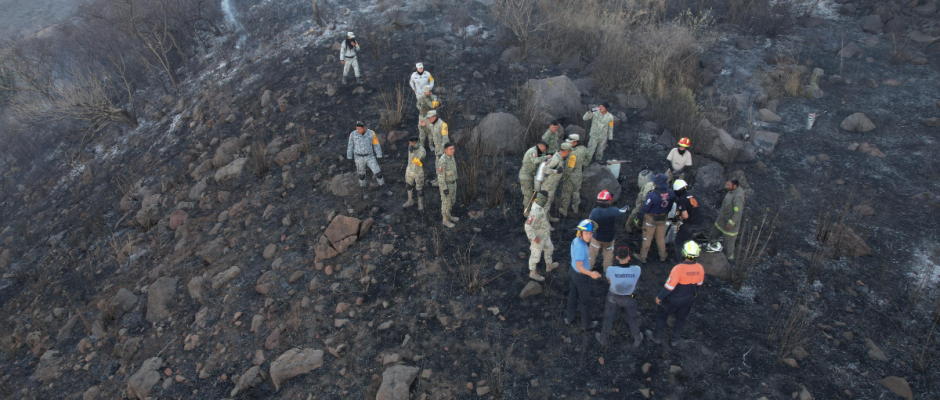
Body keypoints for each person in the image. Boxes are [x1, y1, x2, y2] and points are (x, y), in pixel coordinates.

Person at [645, 241, 705, 347]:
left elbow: (669, 287)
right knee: (681, 319)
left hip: (672, 300)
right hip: (688, 299)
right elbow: (699, 285)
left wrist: (659, 297)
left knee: (662, 316)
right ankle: (674, 340)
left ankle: (657, 337)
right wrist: (694, 294)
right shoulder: (700, 268)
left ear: (684, 253)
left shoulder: (678, 269)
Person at [595, 247, 642, 347]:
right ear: (628, 257)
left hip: (614, 298)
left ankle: (603, 339)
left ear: (617, 257)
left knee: (608, 318)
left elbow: (609, 281)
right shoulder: (637, 269)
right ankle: (637, 338)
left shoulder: (611, 270)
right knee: (632, 317)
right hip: (630, 298)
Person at [565, 219, 602, 330]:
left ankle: (569, 319)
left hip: (572, 272)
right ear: (580, 232)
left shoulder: (576, 240)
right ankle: (586, 325)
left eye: (590, 233)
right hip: (580, 276)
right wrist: (591, 273)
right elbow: (580, 266)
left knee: (572, 296)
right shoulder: (581, 246)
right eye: (586, 233)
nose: (589, 236)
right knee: (584, 301)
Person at [634, 173, 675, 263]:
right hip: (663, 218)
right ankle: (663, 256)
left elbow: (645, 208)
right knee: (660, 238)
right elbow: (671, 205)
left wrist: (639, 217)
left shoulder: (652, 195)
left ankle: (643, 257)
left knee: (647, 238)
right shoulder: (671, 192)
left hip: (651, 219)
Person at [346, 121, 391, 198]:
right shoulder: (353, 134)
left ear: (364, 128)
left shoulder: (371, 133)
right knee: (361, 176)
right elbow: (350, 146)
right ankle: (363, 192)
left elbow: (376, 145)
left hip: (370, 156)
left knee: (378, 173)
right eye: (357, 129)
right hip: (358, 157)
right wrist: (349, 158)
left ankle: (384, 189)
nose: (358, 130)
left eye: (360, 129)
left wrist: (379, 156)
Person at [588, 190, 629, 273]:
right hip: (609, 239)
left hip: (596, 238)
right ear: (609, 201)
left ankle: (588, 269)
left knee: (591, 255)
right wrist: (626, 207)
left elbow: (590, 223)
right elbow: (623, 211)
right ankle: (607, 272)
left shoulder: (594, 212)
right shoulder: (614, 211)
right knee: (608, 256)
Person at [707, 180, 745, 260]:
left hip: (729, 226)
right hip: (721, 220)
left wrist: (731, 223)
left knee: (728, 245)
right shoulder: (731, 191)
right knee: (713, 234)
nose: (726, 187)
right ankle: (712, 248)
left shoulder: (738, 196)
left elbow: (738, 212)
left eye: (729, 185)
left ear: (735, 186)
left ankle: (728, 260)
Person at [525, 191, 558, 282]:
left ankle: (549, 265)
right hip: (538, 238)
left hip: (545, 236)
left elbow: (543, 219)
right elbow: (527, 225)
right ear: (544, 198)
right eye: (547, 197)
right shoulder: (534, 211)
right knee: (535, 256)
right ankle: (533, 273)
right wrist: (533, 238)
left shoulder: (541, 207)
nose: (548, 199)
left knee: (549, 249)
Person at [672, 180, 705, 263]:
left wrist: (678, 217)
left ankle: (678, 260)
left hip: (690, 224)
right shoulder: (691, 195)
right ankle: (688, 258)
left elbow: (685, 215)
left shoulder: (681, 200)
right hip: (698, 222)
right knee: (688, 240)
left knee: (678, 241)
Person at [560, 134, 590, 217]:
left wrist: (563, 177)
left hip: (570, 176)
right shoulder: (583, 148)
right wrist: (584, 164)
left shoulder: (572, 153)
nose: (569, 144)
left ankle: (564, 210)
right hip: (579, 174)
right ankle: (575, 207)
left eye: (571, 142)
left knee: (566, 192)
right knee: (576, 191)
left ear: (575, 142)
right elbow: (589, 156)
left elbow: (569, 168)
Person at [542, 142, 572, 221]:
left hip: (552, 185)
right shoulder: (556, 159)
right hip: (548, 186)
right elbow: (544, 169)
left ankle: (548, 218)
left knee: (549, 203)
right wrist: (556, 171)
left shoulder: (559, 158)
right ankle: (544, 224)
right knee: (546, 205)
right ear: (566, 151)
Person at [519, 141, 549, 210]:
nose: (545, 150)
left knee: (531, 194)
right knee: (528, 195)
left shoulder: (538, 152)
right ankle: (527, 212)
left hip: (530, 176)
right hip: (525, 176)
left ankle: (528, 208)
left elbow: (535, 166)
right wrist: (545, 157)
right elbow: (535, 161)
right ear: (541, 146)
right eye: (545, 148)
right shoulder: (533, 151)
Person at [421, 110, 448, 187]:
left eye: (429, 118)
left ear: (434, 117)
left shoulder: (443, 125)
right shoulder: (432, 124)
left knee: (441, 166)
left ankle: (441, 182)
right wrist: (423, 127)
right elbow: (428, 131)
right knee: (437, 165)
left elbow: (445, 139)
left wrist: (442, 152)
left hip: (442, 150)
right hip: (437, 149)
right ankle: (437, 179)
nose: (428, 119)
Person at [438, 142, 459, 228]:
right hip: (446, 186)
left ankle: (449, 215)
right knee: (446, 203)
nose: (452, 150)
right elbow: (440, 175)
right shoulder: (442, 161)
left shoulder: (451, 157)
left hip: (453, 184)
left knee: (452, 201)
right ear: (445, 150)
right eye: (450, 149)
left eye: (453, 149)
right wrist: (444, 188)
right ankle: (445, 220)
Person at [403, 137, 426, 211]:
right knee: (408, 186)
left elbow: (417, 161)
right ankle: (410, 200)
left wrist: (412, 152)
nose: (409, 144)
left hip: (418, 172)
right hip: (410, 170)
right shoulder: (410, 147)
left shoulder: (422, 151)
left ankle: (420, 203)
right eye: (409, 143)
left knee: (419, 190)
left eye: (411, 143)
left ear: (415, 142)